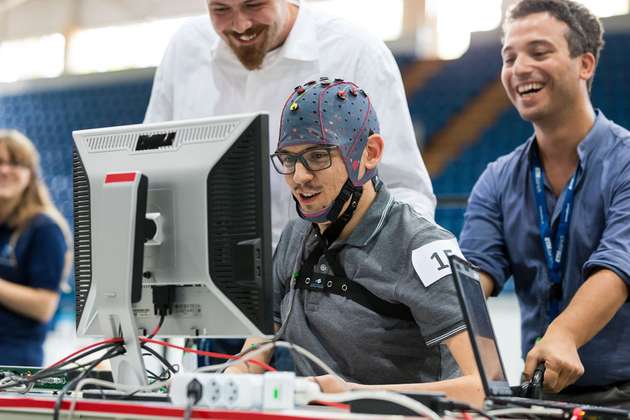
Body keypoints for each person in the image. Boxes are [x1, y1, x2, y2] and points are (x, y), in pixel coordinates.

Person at [226, 78, 483, 406]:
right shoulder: (294, 236)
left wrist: (352, 396)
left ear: (370, 153)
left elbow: (483, 388)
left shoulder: (422, 245)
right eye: (288, 159)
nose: (299, 176)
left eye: (318, 156)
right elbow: (260, 345)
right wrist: (228, 381)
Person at [144, 0, 435, 246]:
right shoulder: (184, 49)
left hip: (325, 282)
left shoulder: (356, 52)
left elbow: (405, 189)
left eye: (254, 4)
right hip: (209, 276)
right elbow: (149, 171)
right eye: (220, 9)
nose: (240, 24)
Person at [459, 0, 630, 408]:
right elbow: (472, 276)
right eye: (509, 57)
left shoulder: (625, 162)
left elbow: (618, 266)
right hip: (540, 399)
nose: (519, 68)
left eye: (539, 52)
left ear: (584, 64)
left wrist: (565, 334)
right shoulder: (497, 179)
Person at [0, 130, 72, 366]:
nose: (5, 170)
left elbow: (44, 306)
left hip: (13, 365)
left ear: (30, 174)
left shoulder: (44, 229)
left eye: (15, 163)